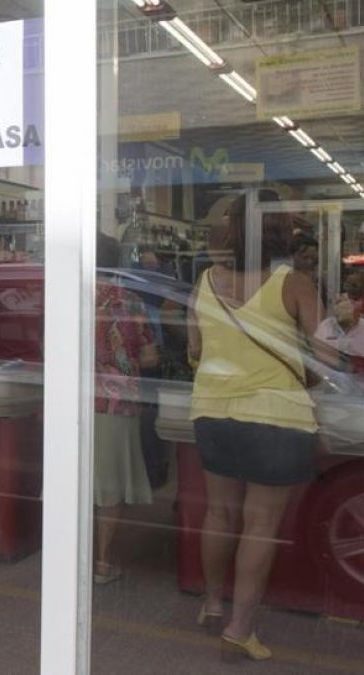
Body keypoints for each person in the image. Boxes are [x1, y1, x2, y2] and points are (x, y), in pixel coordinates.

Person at [187, 193, 336, 662]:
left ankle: (212, 605)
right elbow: (329, 357)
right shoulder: (294, 283)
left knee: (219, 514)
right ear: (280, 231)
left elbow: (194, 349)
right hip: (275, 417)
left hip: (213, 411)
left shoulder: (205, 281)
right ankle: (240, 627)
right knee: (261, 524)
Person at [92, 233, 157, 584]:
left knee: (74, 481)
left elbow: (45, 346)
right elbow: (149, 357)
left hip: (70, 401)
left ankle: (68, 556)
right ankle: (102, 562)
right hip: (116, 402)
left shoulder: (66, 296)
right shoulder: (130, 302)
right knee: (110, 488)